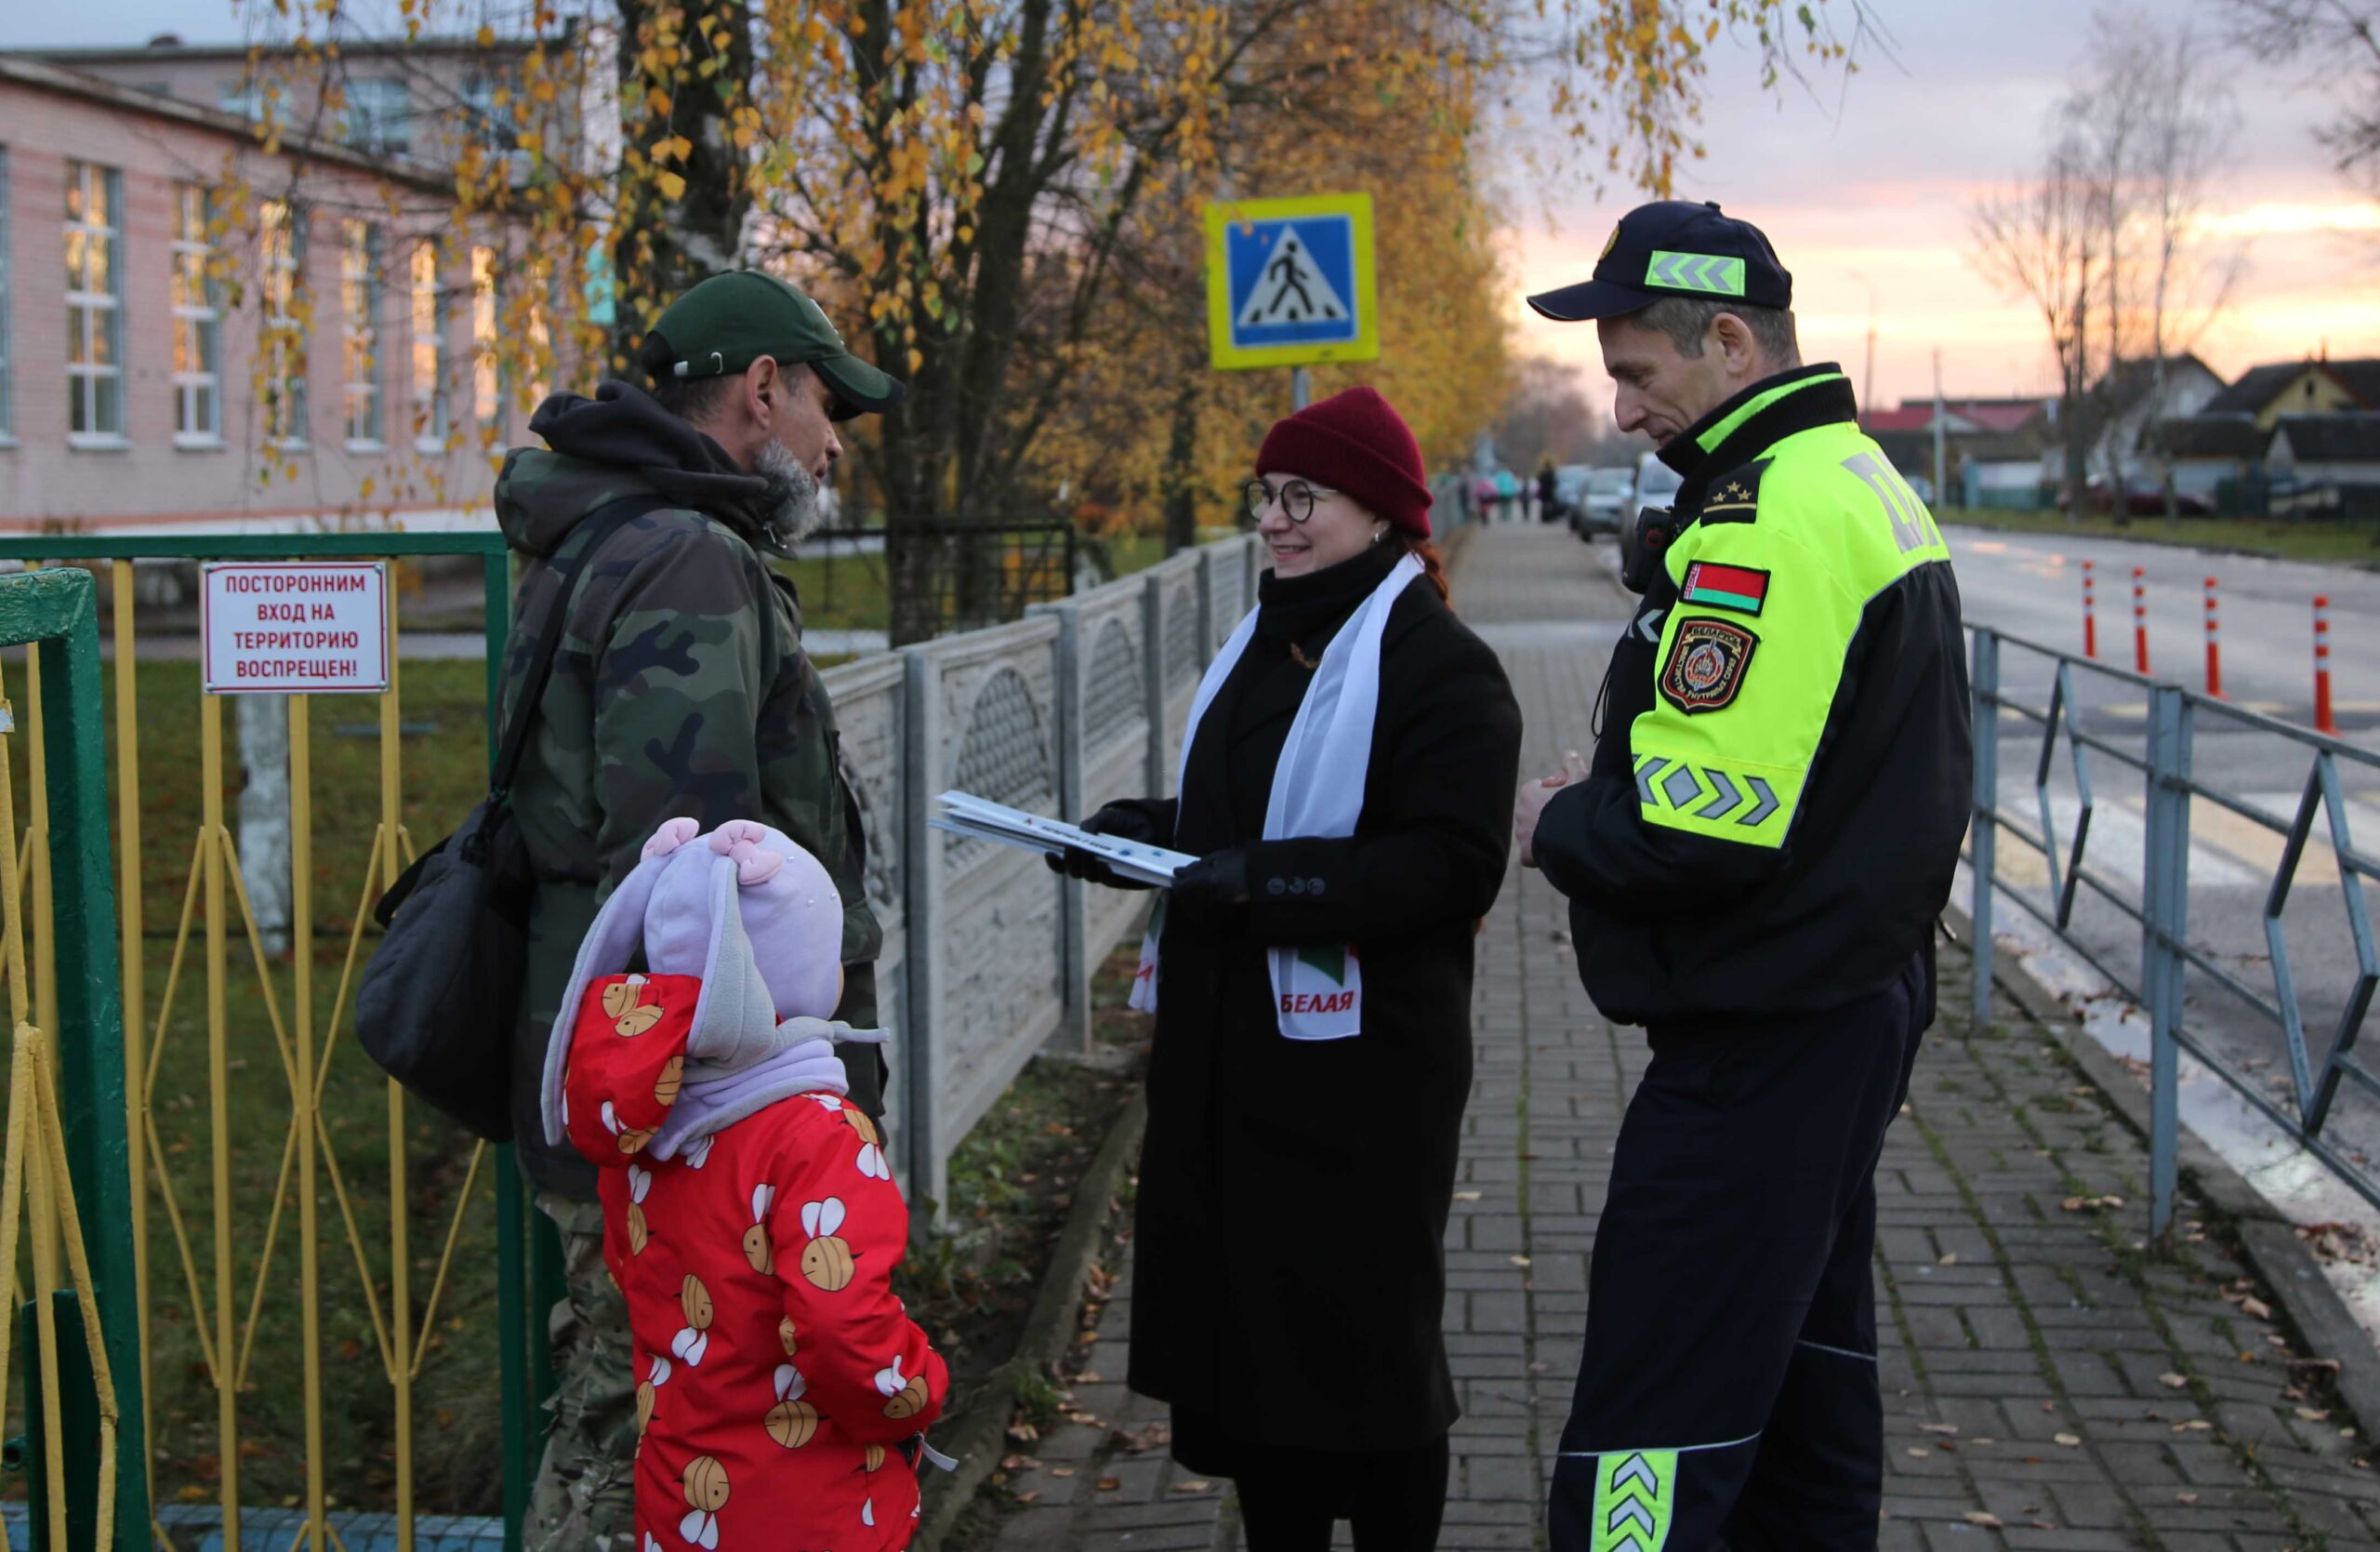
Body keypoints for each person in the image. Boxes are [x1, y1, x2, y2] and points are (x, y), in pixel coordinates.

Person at [1512, 200, 1971, 1549]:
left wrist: (1559, 825)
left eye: (1637, 373)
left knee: (1649, 1437)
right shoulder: (1854, 478)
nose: (1623, 410)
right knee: (1802, 1419)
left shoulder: (1762, 519)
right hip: (1842, 1011)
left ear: (1726, 341)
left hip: (1760, 1042)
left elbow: (1699, 829)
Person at [1053, 386, 1523, 1551]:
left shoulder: (1438, 666)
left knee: (1366, 1354)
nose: (1275, 519)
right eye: (1265, 496)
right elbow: (1236, 820)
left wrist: (1265, 881)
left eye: (1301, 496)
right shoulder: (1268, 643)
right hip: (1230, 1069)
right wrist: (1139, 837)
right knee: (1254, 1355)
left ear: (1379, 510)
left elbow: (1448, 866)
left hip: (1361, 1083)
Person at [495, 270, 905, 1552]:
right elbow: (693, 880)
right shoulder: (684, 554)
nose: (834, 442)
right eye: (827, 404)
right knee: (645, 1445)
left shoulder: (618, 527)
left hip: (633, 1087)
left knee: (625, 1423)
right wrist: (760, 1136)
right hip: (691, 1117)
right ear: (762, 388)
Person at [545, 817, 946, 1552]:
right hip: (813, 1513)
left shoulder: (645, 1122)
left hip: (684, 1503)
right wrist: (916, 1386)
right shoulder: (816, 1133)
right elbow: (842, 1328)